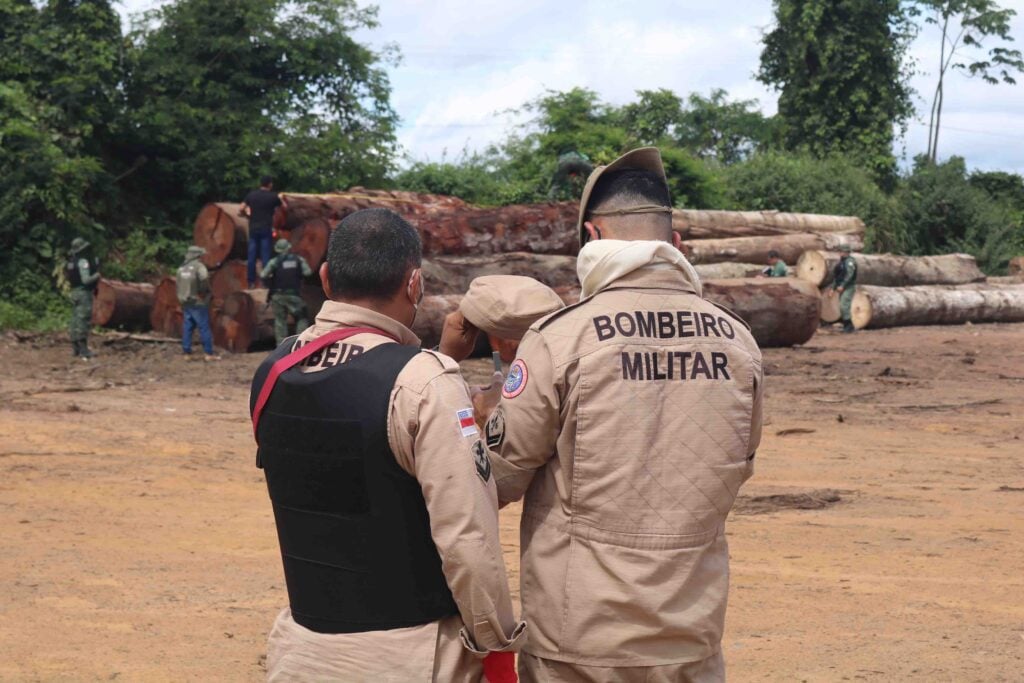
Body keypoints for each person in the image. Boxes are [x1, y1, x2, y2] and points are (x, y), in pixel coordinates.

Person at [442, 147, 764, 682]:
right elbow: (739, 463)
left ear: (592, 239)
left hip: (581, 642)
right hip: (691, 639)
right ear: (675, 245)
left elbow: (495, 478)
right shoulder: (740, 343)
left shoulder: (561, 338)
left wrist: (477, 406)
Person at [249, 208, 525, 682]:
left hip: (302, 650)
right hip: (410, 655)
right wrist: (497, 649)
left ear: (326, 277)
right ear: (414, 284)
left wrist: (437, 364)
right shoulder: (426, 384)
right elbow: (467, 539)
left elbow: (353, 439)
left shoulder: (274, 370)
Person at [260, 239, 313, 346]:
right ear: (289, 248)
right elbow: (308, 272)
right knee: (302, 317)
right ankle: (301, 344)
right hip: (294, 295)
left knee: (280, 321)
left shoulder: (274, 261)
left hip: (278, 295)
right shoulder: (298, 260)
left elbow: (263, 275)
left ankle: (281, 346)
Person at [241, 175, 288, 287]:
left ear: (260, 184)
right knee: (265, 256)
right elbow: (285, 208)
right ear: (270, 184)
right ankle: (265, 282)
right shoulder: (273, 196)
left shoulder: (252, 195)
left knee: (251, 256)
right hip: (266, 229)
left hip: (253, 229)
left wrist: (247, 215)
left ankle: (251, 282)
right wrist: (281, 198)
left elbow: (241, 208)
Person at [176, 245, 218, 361]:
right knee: (204, 326)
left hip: (185, 301)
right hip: (197, 301)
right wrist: (205, 291)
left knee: (188, 327)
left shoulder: (181, 268)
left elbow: (178, 284)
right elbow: (204, 278)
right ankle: (208, 353)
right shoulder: (199, 267)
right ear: (197, 255)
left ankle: (186, 353)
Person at [65, 237, 100, 360]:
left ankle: (75, 348)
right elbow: (86, 280)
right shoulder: (83, 262)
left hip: (74, 292)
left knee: (75, 319)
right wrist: (96, 275)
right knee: (83, 320)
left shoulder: (71, 262)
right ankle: (83, 349)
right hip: (83, 292)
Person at [832, 245, 858, 333]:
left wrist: (843, 285)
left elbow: (849, 275)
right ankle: (847, 325)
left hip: (848, 287)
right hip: (841, 287)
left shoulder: (850, 262)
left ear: (846, 252)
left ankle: (849, 326)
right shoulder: (841, 262)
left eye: (841, 251)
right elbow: (837, 276)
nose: (840, 253)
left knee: (844, 306)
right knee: (842, 306)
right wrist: (833, 288)